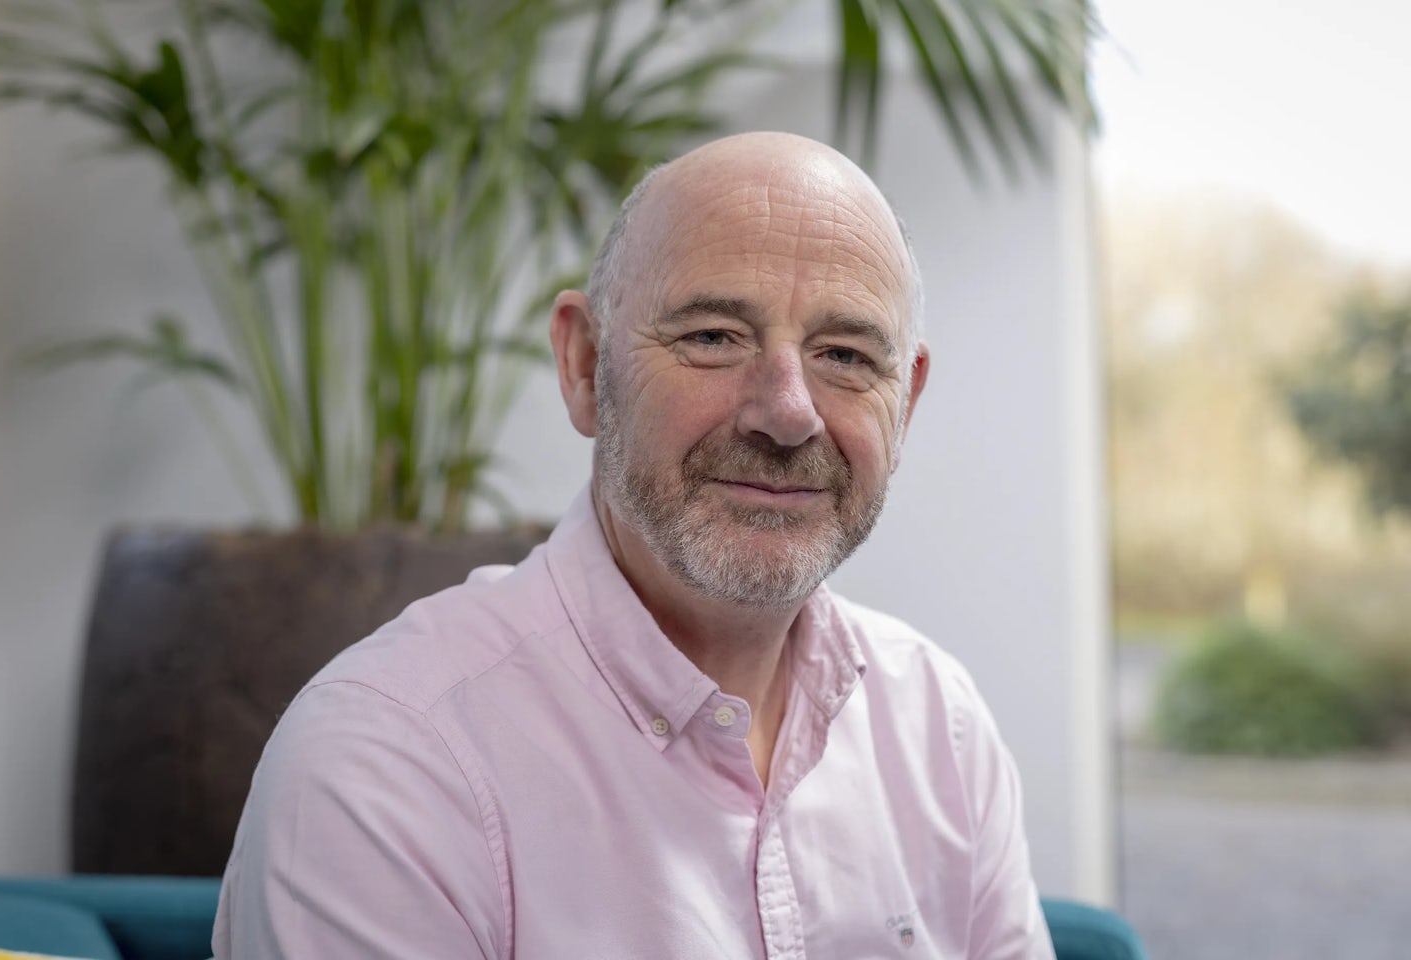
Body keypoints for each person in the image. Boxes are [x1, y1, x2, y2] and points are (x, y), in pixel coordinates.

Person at [212, 131, 1053, 959]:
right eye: (714, 337)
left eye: (845, 354)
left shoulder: (941, 730)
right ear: (584, 365)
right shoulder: (388, 762)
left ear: (904, 405)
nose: (788, 411)